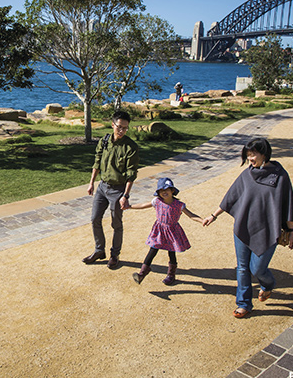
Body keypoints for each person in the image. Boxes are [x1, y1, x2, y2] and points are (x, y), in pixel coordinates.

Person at [203, 138, 293, 318]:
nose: (250, 159)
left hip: (268, 230)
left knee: (258, 269)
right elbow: (230, 198)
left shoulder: (280, 176)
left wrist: (291, 231)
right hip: (243, 228)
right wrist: (213, 216)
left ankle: (268, 285)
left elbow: (288, 204)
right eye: (248, 156)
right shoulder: (247, 175)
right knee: (242, 268)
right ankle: (244, 304)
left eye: (253, 155)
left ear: (264, 153)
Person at [82, 111, 140, 269]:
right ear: (112, 124)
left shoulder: (131, 147)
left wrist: (125, 196)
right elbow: (97, 161)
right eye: (119, 127)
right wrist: (91, 183)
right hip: (102, 187)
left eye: (125, 128)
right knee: (95, 219)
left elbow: (131, 174)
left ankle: (115, 255)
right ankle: (99, 250)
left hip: (118, 190)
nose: (121, 131)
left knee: (116, 224)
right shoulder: (104, 140)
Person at [127, 177, 204, 285]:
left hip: (172, 231)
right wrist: (130, 206)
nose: (164, 192)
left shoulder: (179, 205)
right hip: (159, 230)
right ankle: (142, 273)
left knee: (171, 253)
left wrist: (202, 220)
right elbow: (143, 205)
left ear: (172, 190)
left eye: (166, 190)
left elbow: (191, 215)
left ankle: (171, 275)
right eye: (161, 191)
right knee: (153, 249)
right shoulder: (157, 201)